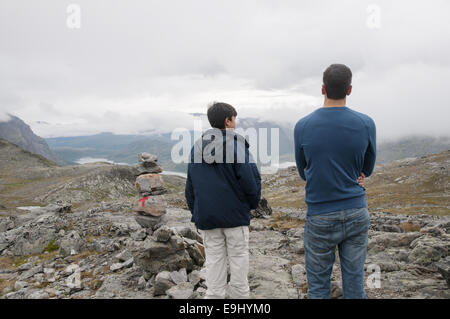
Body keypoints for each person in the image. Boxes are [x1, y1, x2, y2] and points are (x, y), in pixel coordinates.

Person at [294, 64, 377, 299]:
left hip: (320, 214)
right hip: (356, 211)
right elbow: (367, 169)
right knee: (354, 283)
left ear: (323, 88)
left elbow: (303, 172)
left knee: (318, 287)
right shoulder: (366, 123)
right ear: (349, 90)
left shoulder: (303, 125)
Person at [185, 102, 261, 299]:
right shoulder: (236, 145)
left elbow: (190, 186)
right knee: (238, 260)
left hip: (207, 216)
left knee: (214, 261)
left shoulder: (197, 148)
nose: (235, 123)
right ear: (228, 121)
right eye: (234, 119)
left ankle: (215, 297)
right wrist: (251, 205)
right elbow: (251, 181)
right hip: (235, 217)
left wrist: (197, 210)